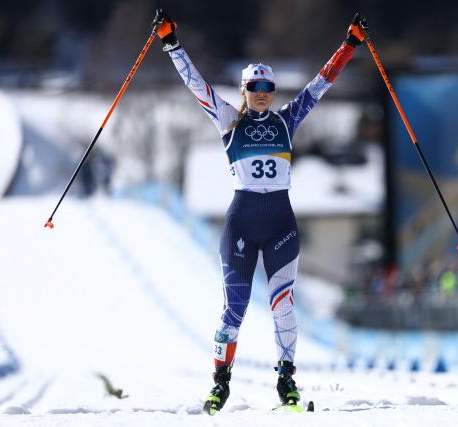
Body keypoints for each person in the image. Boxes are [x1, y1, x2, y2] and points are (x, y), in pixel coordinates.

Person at [151, 9, 368, 414]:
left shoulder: (288, 120)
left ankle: (287, 382)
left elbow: (321, 84)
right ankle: (220, 384)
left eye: (268, 86)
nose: (262, 92)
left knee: (283, 304)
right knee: (234, 308)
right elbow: (195, 83)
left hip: (281, 221)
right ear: (244, 90)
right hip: (242, 223)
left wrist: (350, 44)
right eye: (254, 86)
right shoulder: (228, 121)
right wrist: (171, 43)